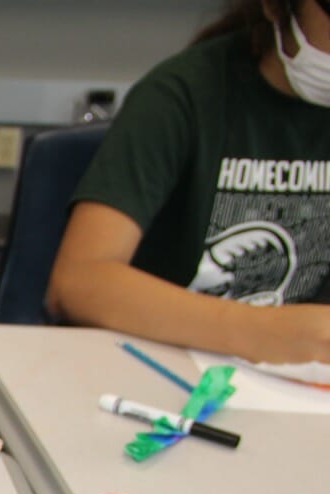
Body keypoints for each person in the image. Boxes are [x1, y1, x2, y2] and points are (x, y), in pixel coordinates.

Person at [48, 0, 330, 368]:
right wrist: (265, 331)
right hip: (155, 363)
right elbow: (78, 283)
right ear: (277, 8)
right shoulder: (183, 95)